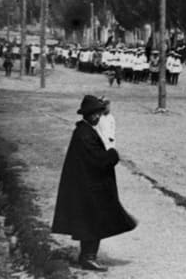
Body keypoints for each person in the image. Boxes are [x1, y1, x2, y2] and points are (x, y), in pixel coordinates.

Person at [51, 95, 136, 272]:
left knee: (90, 222)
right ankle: (88, 258)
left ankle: (88, 256)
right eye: (95, 114)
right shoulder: (85, 134)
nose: (98, 117)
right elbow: (97, 160)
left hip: (86, 185)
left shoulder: (84, 130)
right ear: (88, 115)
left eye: (99, 113)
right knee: (92, 222)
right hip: (89, 187)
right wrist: (113, 155)